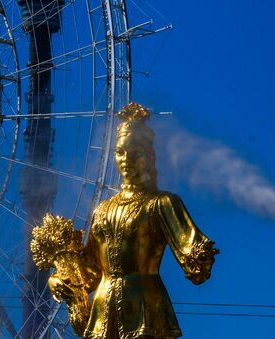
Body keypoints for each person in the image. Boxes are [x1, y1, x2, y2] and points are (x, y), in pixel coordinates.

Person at [48, 102, 218, 339]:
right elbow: (91, 269)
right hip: (103, 310)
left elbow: (194, 255)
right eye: (120, 152)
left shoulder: (161, 204)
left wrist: (199, 258)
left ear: (149, 156)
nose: (126, 159)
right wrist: (59, 279)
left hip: (145, 309)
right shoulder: (102, 210)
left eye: (134, 152)